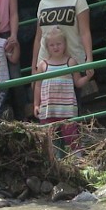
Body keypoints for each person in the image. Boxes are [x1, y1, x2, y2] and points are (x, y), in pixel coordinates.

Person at [31, 0, 94, 112]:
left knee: (72, 108)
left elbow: (85, 31)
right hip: (46, 65)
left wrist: (89, 59)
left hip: (71, 62)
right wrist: (34, 66)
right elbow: (39, 37)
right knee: (48, 110)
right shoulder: (43, 3)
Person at [33, 27, 91, 156]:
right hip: (48, 109)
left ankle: (79, 161)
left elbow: (78, 82)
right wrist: (36, 104)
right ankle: (55, 164)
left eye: (58, 44)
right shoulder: (43, 65)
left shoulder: (70, 62)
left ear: (64, 44)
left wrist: (87, 77)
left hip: (67, 109)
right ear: (47, 47)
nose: (55, 47)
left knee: (72, 136)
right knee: (49, 137)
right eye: (52, 45)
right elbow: (37, 86)